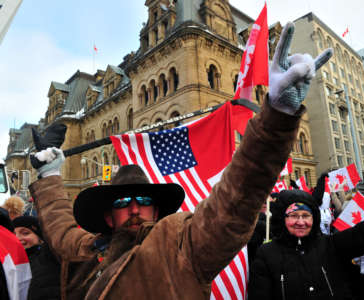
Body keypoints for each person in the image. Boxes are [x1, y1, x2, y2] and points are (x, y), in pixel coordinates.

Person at [28, 23, 332, 299]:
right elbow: (60, 227)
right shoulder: (88, 249)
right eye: (122, 203)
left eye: (142, 199)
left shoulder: (180, 247)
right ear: (108, 216)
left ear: (157, 208)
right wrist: (49, 176)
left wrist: (276, 117)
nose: (134, 208)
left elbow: (234, 202)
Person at [248, 143, 364, 299]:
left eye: (306, 215)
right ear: (281, 219)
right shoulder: (266, 255)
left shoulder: (331, 246)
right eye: (293, 215)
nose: (301, 222)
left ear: (314, 218)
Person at [13, 216, 61, 300]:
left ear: (40, 238)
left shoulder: (51, 258)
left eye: (25, 233)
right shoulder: (10, 263)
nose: (17, 238)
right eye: (13, 234)